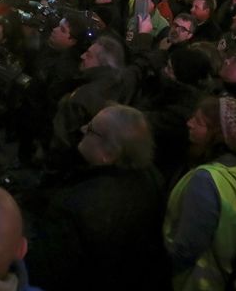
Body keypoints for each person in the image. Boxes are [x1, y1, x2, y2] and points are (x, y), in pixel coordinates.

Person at [27, 105, 170, 290]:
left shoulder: (73, 207)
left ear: (108, 154)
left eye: (91, 129)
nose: (83, 128)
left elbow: (43, 272)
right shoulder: (154, 178)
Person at [164, 96, 236, 291]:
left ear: (218, 135)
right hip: (229, 267)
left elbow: (188, 246)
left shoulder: (206, 180)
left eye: (198, 122)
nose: (189, 123)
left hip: (199, 279)